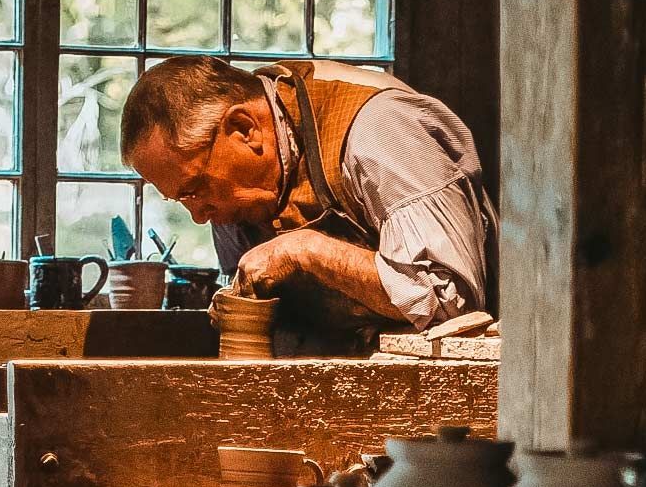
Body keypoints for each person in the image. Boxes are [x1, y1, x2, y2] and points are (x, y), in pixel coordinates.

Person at [121, 56, 496, 338]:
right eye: (180, 199)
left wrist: (306, 251)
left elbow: (452, 305)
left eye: (195, 188)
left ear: (243, 129)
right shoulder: (233, 199)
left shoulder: (379, 129)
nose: (198, 216)